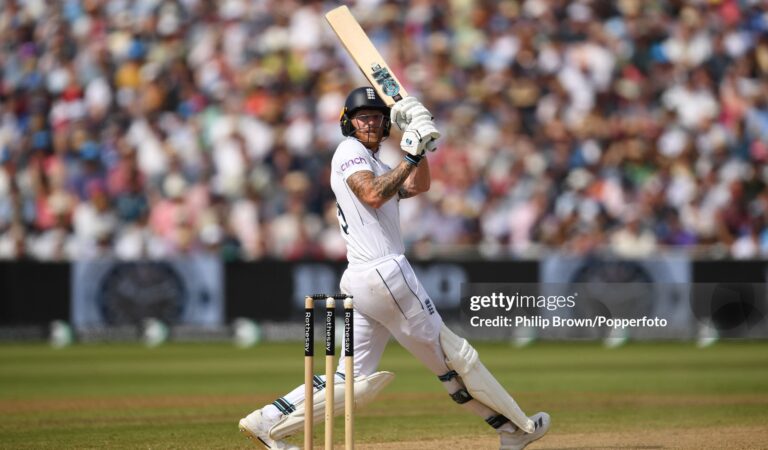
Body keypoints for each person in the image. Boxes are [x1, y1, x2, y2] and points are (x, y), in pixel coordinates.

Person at [239, 87, 550, 450]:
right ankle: (513, 429)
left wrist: (421, 138)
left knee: (349, 378)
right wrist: (411, 154)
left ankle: (267, 422)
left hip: (365, 279)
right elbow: (372, 194)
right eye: (362, 116)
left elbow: (419, 184)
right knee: (453, 360)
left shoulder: (378, 162)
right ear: (348, 122)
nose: (370, 122)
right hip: (384, 272)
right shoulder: (350, 152)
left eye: (376, 116)